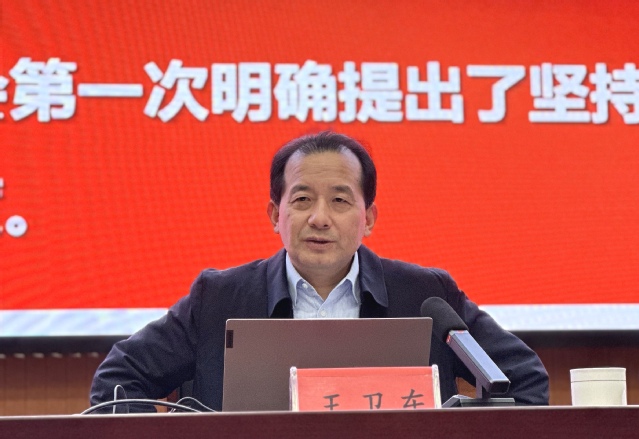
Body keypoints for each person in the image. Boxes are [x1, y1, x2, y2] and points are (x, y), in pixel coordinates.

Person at [90, 131, 549, 411]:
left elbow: (523, 379)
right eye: (303, 199)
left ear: (368, 218)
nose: (320, 218)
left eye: (340, 200)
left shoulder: (425, 295)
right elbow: (118, 381)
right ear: (276, 214)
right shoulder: (219, 298)